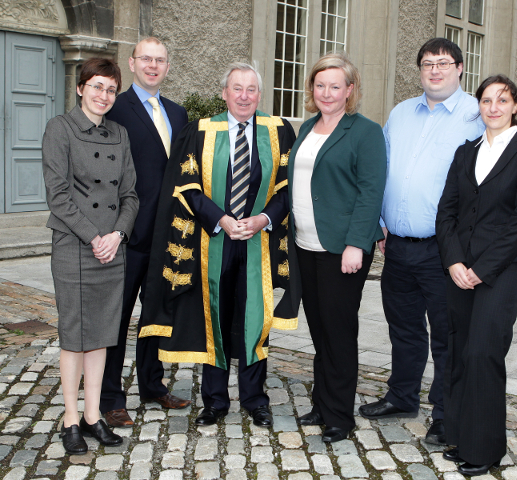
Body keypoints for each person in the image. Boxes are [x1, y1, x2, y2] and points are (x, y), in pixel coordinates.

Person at [139, 62, 299, 428]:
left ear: (260, 94)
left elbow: (289, 187)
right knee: (214, 317)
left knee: (255, 319)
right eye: (236, 89)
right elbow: (186, 185)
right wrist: (220, 219)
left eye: (251, 89)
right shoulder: (200, 132)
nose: (244, 96)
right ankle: (214, 401)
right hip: (214, 241)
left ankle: (255, 399)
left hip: (258, 240)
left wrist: (263, 218)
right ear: (224, 93)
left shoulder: (278, 132)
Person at [359, 38, 485, 445]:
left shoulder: (476, 116)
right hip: (396, 246)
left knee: (448, 334)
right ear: (419, 70)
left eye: (444, 63)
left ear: (461, 68)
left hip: (445, 250)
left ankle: (447, 413)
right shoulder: (400, 113)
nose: (435, 70)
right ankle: (402, 396)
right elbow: (381, 170)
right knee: (404, 327)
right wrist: (379, 221)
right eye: (428, 63)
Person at [436, 75, 517, 476]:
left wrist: (482, 270)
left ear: (516, 104)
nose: (494, 107)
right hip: (458, 269)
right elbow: (446, 211)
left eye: (502, 99)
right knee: (460, 349)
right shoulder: (466, 152)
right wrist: (453, 262)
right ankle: (459, 436)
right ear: (478, 106)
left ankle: (484, 449)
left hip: (499, 272)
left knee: (484, 352)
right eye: (486, 100)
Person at [42, 58, 139, 454]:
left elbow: (131, 195)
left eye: (111, 89)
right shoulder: (59, 129)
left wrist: (117, 234)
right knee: (74, 335)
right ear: (81, 88)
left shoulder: (120, 134)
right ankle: (69, 418)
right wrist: (95, 236)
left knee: (100, 335)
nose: (104, 95)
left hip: (111, 248)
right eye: (97, 86)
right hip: (74, 246)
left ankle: (94, 414)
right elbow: (58, 196)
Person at [289, 52, 386, 443]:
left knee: (339, 332)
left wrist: (356, 245)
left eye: (335, 86)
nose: (326, 92)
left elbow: (370, 193)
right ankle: (323, 402)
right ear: (312, 89)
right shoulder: (307, 128)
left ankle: (340, 417)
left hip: (341, 250)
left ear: (349, 90)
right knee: (319, 331)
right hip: (305, 245)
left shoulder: (365, 132)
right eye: (320, 85)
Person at [100, 37, 190, 427]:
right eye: (146, 59)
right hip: (127, 235)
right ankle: (110, 397)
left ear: (168, 67)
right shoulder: (114, 108)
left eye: (161, 60)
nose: (153, 66)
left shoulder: (179, 113)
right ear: (132, 64)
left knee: (156, 314)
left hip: (167, 235)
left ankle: (152, 386)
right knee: (115, 319)